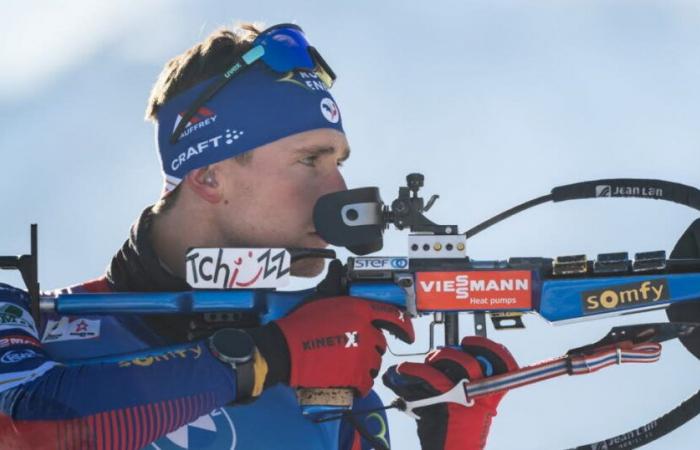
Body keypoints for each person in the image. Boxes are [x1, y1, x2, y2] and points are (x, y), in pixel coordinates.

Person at [0, 22, 517, 449]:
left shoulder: (330, 362)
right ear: (208, 177)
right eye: (309, 161)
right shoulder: (25, 320)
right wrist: (265, 358)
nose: (338, 189)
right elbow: (28, 429)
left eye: (338, 162)